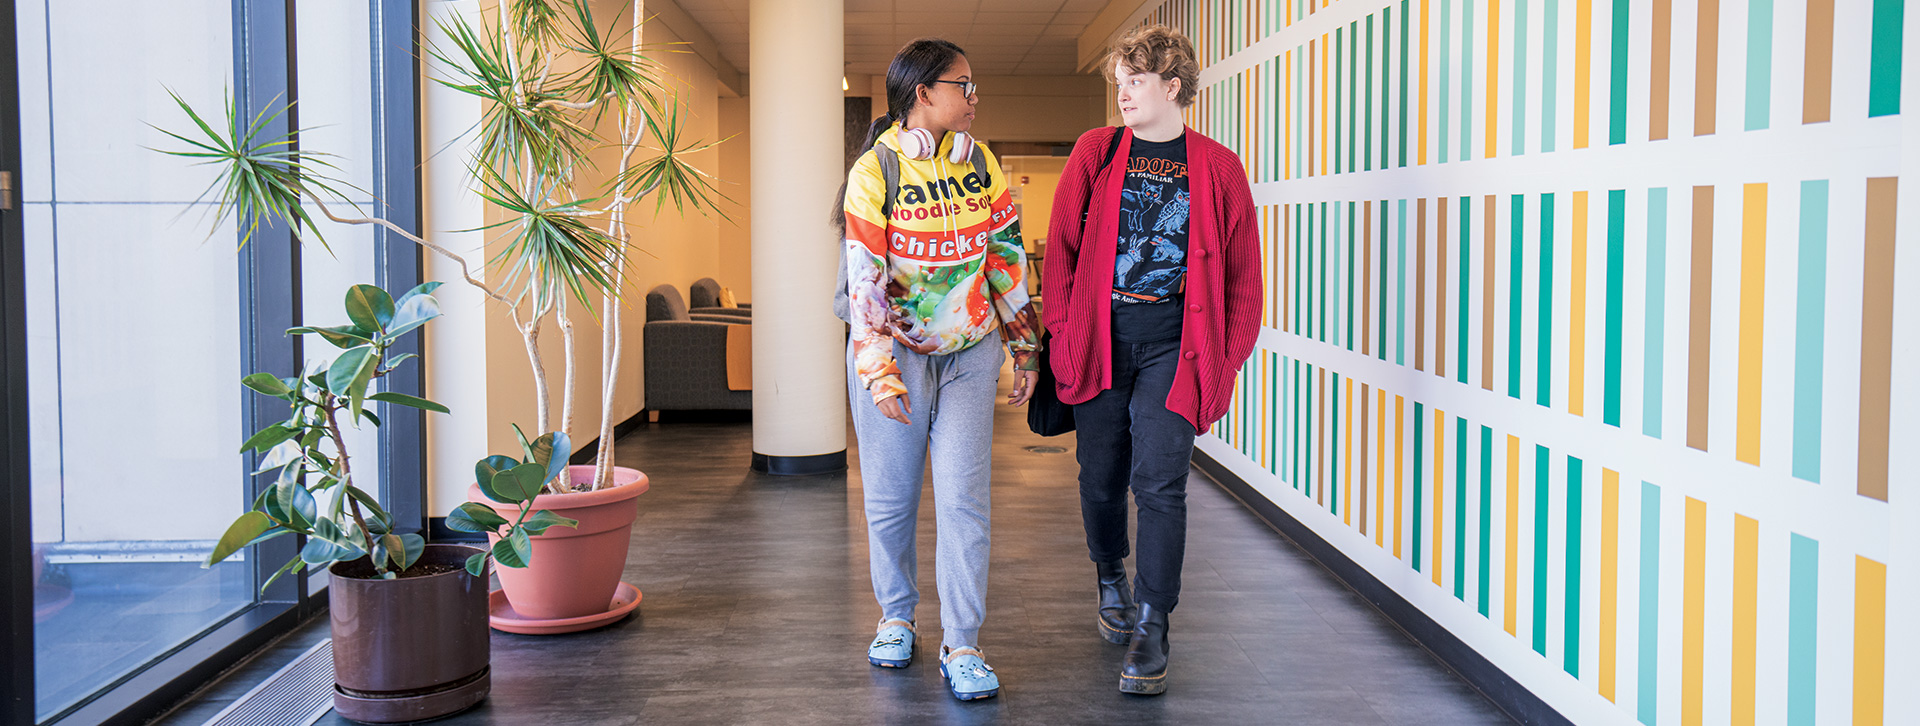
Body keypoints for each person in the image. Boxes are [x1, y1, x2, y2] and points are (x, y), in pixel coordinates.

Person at [1041, 24, 1264, 696]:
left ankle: (1152, 620)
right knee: (1100, 473)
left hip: (1178, 345)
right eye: (1120, 82)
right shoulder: (1096, 152)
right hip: (1100, 338)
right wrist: (1061, 327)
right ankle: (1109, 569)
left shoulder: (1219, 168)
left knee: (1161, 482)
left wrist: (1222, 364)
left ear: (1173, 86)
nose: (1125, 94)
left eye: (1136, 81)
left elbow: (1243, 282)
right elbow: (1061, 252)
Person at [833, 37, 1041, 702]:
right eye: (963, 85)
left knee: (964, 503)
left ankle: (963, 641)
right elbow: (862, 279)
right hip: (894, 354)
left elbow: (1006, 256)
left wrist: (1024, 344)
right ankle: (896, 615)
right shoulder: (877, 171)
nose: (973, 97)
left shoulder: (981, 164)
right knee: (891, 503)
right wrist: (877, 369)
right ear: (923, 92)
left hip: (970, 353)